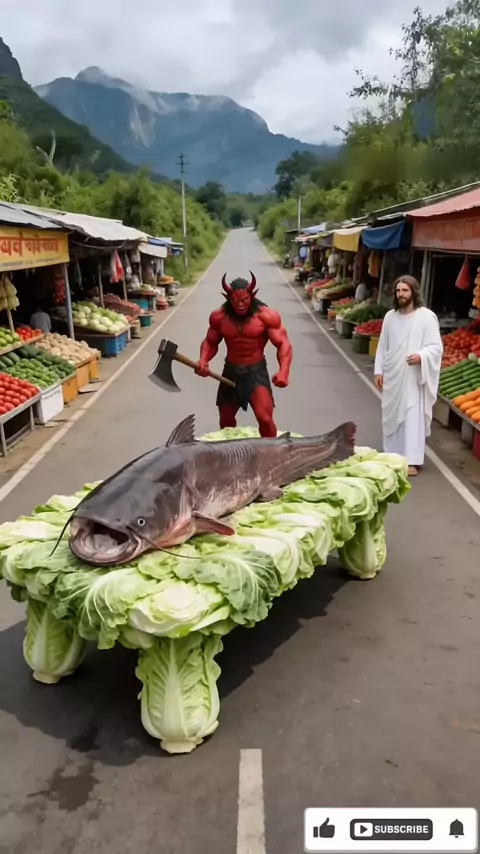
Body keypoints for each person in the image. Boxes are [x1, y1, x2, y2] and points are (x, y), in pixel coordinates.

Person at [195, 272, 292, 437]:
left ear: (251, 296)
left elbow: (283, 344)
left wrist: (284, 371)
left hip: (255, 371)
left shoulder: (266, 316)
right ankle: (231, 449)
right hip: (231, 371)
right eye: (235, 301)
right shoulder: (219, 317)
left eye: (244, 300)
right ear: (228, 298)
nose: (240, 305)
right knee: (226, 419)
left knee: (265, 418)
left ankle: (271, 449)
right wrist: (203, 360)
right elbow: (210, 342)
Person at [374, 275, 443, 477]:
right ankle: (392, 456)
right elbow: (383, 346)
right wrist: (379, 370)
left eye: (405, 290)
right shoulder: (390, 317)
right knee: (392, 415)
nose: (401, 294)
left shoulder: (426, 317)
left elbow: (436, 347)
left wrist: (421, 356)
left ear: (413, 292)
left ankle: (412, 461)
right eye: (398, 291)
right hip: (393, 376)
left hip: (414, 378)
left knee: (412, 416)